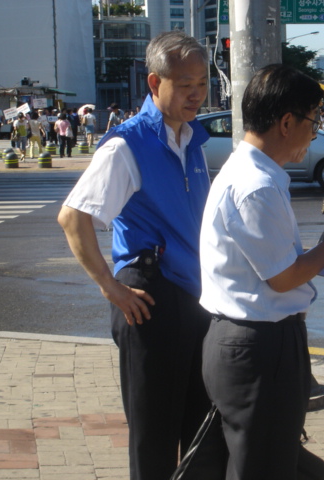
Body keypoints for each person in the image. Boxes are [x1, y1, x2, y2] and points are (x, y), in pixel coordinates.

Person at [57, 30, 211, 480]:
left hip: (198, 300)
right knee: (155, 436)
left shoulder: (192, 140)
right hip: (152, 301)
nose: (196, 94)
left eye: (202, 83)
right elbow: (73, 217)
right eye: (185, 84)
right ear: (154, 83)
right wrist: (111, 287)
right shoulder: (128, 145)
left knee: (201, 431)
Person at [199, 64, 324, 480]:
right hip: (258, 347)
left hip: (255, 342)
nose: (315, 130)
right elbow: (284, 277)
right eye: (313, 119)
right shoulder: (257, 185)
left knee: (265, 461)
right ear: (287, 122)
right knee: (263, 466)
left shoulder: (256, 175)